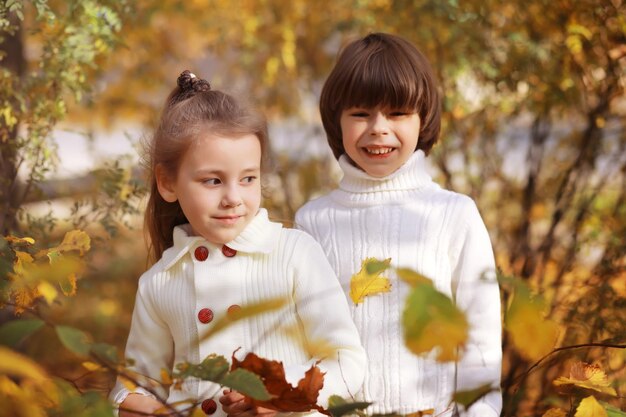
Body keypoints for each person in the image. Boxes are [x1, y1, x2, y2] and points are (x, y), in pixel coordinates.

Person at [110, 70, 366, 417]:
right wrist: (139, 404)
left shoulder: (293, 254)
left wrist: (280, 396)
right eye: (213, 180)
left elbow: (346, 360)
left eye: (248, 178)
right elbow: (139, 384)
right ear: (167, 182)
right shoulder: (159, 282)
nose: (233, 198)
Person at [295, 33, 502, 417]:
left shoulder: (454, 214)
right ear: (335, 121)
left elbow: (479, 337)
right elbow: (300, 340)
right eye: (360, 114)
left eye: (397, 113)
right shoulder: (313, 221)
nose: (378, 128)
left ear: (422, 119)